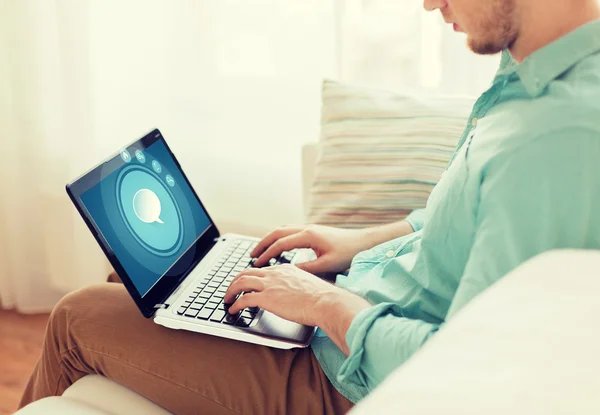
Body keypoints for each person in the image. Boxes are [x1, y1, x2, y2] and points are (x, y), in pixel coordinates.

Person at [20, 0, 600, 414]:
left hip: (347, 379)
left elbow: (471, 372)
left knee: (77, 317)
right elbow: (468, 223)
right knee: (152, 289)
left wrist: (326, 305)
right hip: (352, 314)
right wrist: (358, 243)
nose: (428, 5)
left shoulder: (556, 134)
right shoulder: (533, 74)